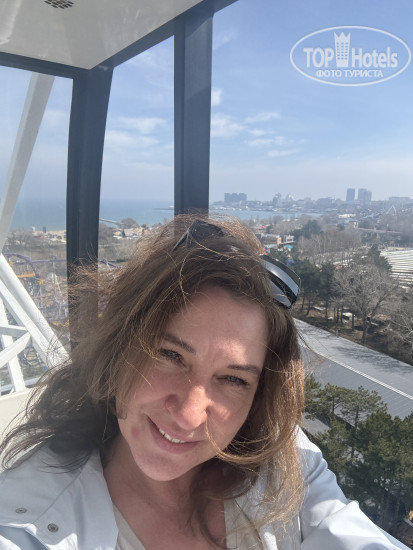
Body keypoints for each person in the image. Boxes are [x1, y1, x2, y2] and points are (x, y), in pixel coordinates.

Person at [0, 216, 409, 550]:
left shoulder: (285, 461)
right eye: (170, 355)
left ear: (258, 396)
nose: (189, 415)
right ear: (119, 348)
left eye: (232, 378)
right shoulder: (24, 526)